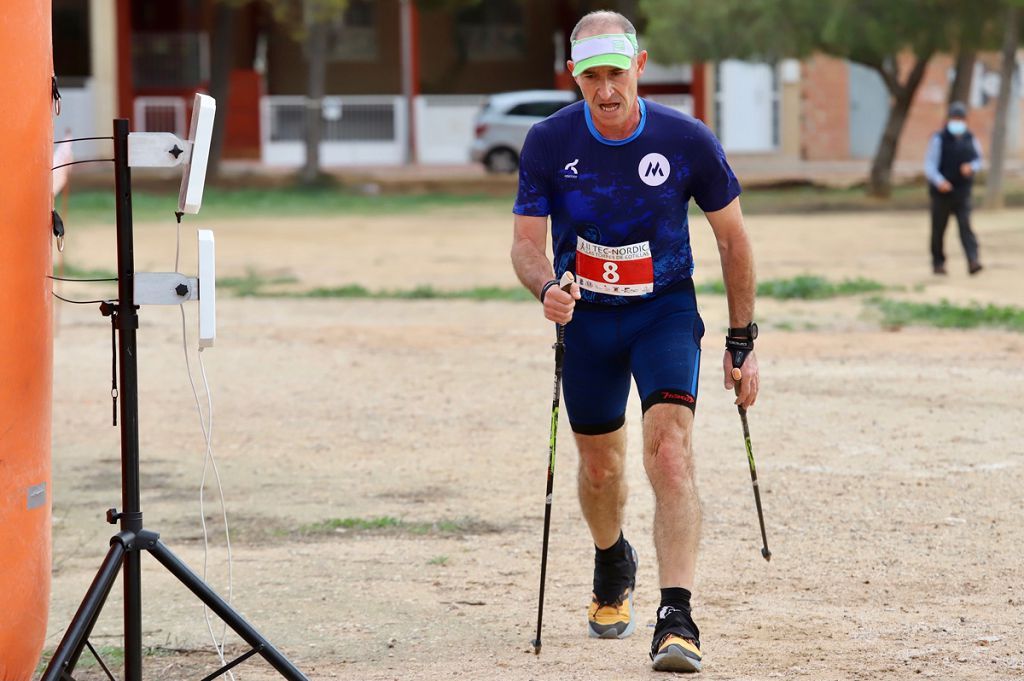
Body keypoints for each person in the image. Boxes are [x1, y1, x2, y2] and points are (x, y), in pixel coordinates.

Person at [510, 10, 759, 674]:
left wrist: (742, 340)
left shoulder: (687, 140)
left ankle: (676, 615)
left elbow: (732, 239)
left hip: (664, 313)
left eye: (616, 73)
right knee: (600, 469)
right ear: (576, 77)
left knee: (669, 451)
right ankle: (611, 556)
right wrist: (545, 290)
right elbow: (526, 246)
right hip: (586, 321)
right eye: (592, 77)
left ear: (640, 67)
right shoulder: (546, 142)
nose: (607, 89)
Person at [924, 101, 984, 275]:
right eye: (955, 118)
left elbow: (978, 160)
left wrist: (971, 167)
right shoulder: (939, 138)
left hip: (962, 191)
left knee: (965, 227)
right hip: (942, 192)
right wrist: (939, 181)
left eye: (960, 118)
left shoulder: (970, 138)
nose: (957, 122)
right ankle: (938, 263)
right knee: (938, 229)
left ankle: (973, 260)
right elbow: (930, 164)